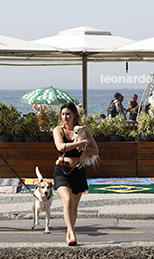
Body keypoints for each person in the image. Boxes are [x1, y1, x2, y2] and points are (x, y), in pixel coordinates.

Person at [53, 102, 99, 246]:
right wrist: (79, 144)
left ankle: (69, 234)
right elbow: (60, 147)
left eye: (68, 114)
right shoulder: (58, 130)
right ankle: (73, 233)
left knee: (73, 207)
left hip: (78, 171)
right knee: (67, 201)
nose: (65, 117)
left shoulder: (84, 130)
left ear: (74, 115)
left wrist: (84, 147)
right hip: (62, 171)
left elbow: (95, 151)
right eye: (63, 114)